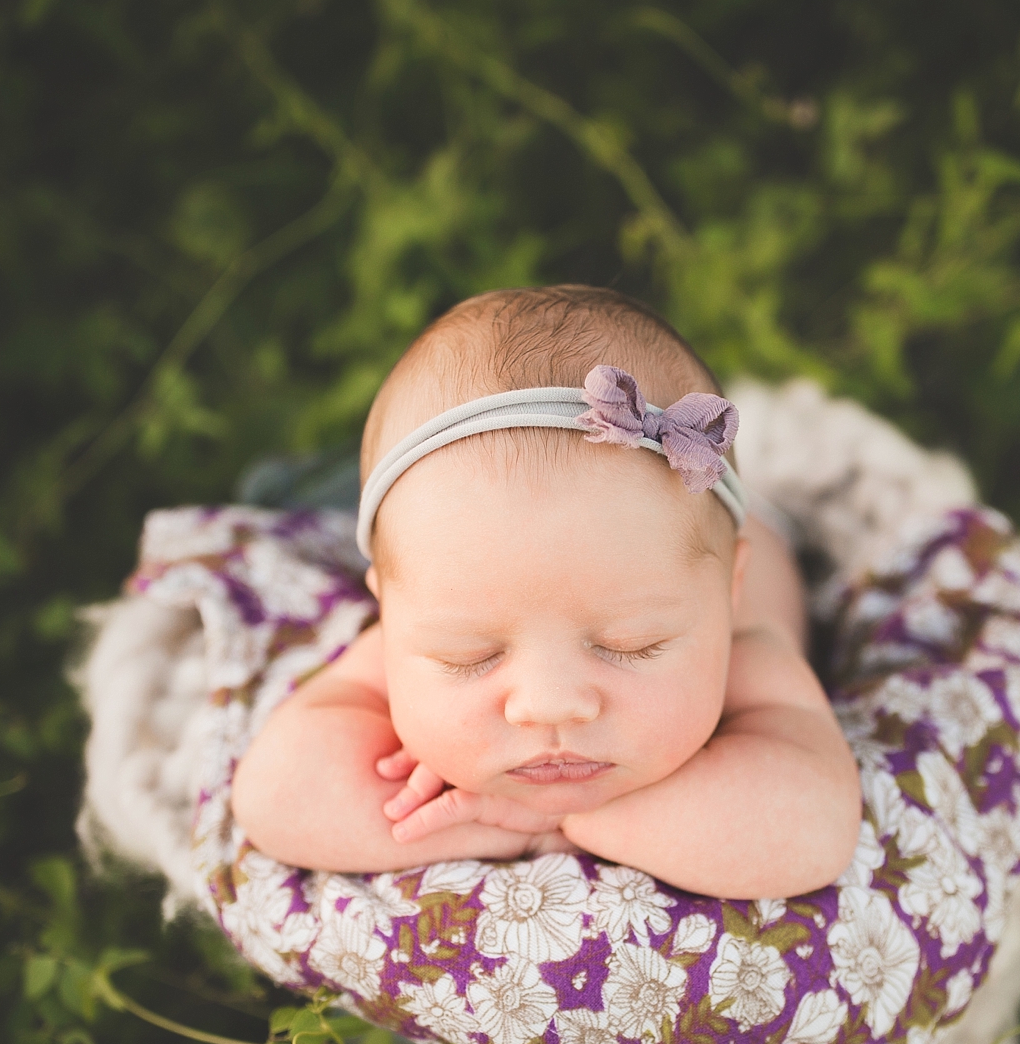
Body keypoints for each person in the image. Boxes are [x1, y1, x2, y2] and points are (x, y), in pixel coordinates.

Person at [230, 286, 860, 898]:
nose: (550, 706)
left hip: (751, 523)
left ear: (728, 592)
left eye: (632, 643)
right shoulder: (424, 618)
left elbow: (813, 829)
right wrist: (492, 826)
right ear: (388, 613)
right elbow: (276, 796)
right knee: (298, 494)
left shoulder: (753, 651)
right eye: (470, 656)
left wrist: (559, 825)